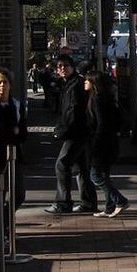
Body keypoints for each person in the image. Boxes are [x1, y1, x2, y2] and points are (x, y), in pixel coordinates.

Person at [45, 54, 97, 214]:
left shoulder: (74, 86)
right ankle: (88, 202)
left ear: (72, 67)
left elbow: (72, 111)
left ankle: (63, 202)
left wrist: (62, 130)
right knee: (81, 167)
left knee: (62, 164)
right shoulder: (69, 84)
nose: (62, 69)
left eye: (65, 66)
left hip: (76, 132)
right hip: (81, 131)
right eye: (59, 66)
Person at [83, 69, 129, 217]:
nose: (85, 82)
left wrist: (96, 141)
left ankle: (119, 200)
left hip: (102, 144)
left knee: (95, 175)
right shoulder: (107, 98)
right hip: (110, 142)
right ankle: (110, 206)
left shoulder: (97, 100)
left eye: (88, 80)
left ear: (94, 83)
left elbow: (101, 123)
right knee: (105, 174)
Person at [0, 67, 27, 214]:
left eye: (6, 82)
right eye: (0, 82)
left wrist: (15, 132)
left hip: (14, 156)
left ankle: (4, 221)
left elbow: (22, 132)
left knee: (19, 194)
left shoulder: (16, 105)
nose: (3, 85)